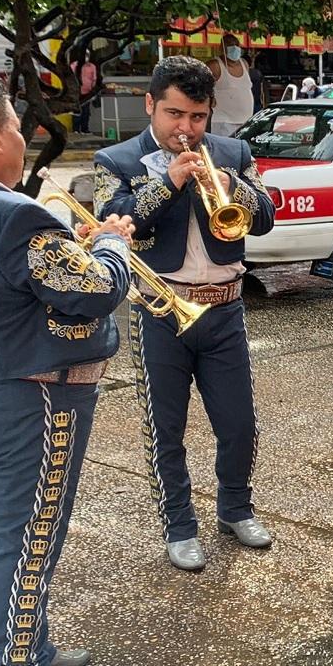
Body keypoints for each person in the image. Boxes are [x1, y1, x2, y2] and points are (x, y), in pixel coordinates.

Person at [0, 73, 133, 666]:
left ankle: (26, 649)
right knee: (30, 543)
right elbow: (90, 290)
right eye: (15, 125)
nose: (22, 135)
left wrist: (78, 250)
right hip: (31, 400)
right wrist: (113, 245)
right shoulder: (14, 216)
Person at [93, 56, 276, 570]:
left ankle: (235, 508)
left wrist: (229, 184)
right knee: (165, 427)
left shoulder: (233, 151)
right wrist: (170, 181)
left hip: (225, 309)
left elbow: (263, 216)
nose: (186, 129)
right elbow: (115, 221)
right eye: (175, 114)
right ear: (150, 105)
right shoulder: (116, 161)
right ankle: (179, 525)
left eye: (198, 117)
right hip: (160, 310)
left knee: (239, 424)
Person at [209, 34, 254, 136]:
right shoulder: (215, 65)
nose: (234, 47)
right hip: (224, 122)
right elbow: (202, 83)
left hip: (246, 120)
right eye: (229, 44)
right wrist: (210, 97)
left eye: (236, 44)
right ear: (222, 48)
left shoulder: (244, 63)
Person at [71, 51, 98, 134]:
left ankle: (84, 129)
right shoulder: (74, 65)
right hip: (76, 93)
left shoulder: (92, 66)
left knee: (86, 112)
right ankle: (76, 129)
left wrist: (93, 91)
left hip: (87, 93)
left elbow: (94, 79)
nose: (86, 57)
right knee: (76, 111)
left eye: (87, 55)